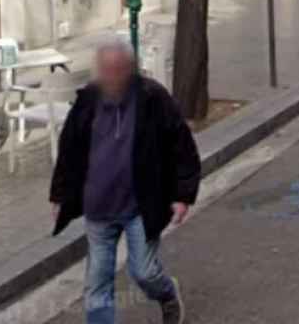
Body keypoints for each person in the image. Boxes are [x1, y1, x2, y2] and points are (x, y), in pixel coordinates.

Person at [52, 41, 200, 324]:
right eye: (106, 70)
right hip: (98, 210)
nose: (112, 76)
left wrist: (183, 195)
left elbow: (182, 146)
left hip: (140, 208)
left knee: (144, 272)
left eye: (118, 70)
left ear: (130, 70)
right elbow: (69, 150)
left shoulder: (152, 98)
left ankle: (167, 293)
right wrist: (60, 196)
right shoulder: (88, 102)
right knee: (97, 285)